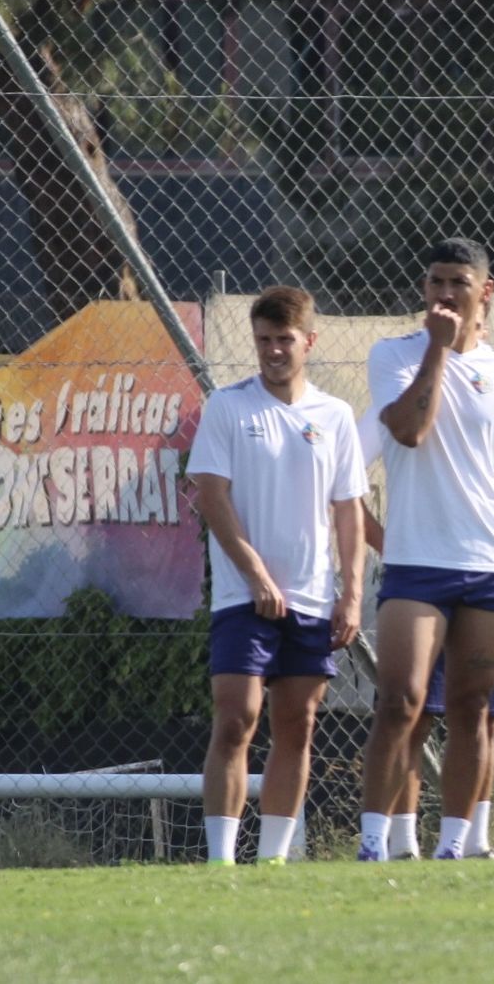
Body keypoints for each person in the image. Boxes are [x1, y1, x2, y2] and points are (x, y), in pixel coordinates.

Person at [356, 237, 494, 861]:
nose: (443, 293)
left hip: (488, 565)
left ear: (485, 291)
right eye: (434, 281)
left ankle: (455, 850)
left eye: (457, 282)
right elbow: (409, 430)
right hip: (415, 567)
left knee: (472, 709)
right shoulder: (394, 355)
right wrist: (437, 347)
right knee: (401, 701)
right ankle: (375, 847)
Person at [188, 285, 368, 864]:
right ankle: (220, 862)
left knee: (298, 725)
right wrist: (257, 576)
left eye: (284, 340)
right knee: (238, 716)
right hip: (245, 596)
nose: (272, 351)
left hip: (314, 598)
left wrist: (352, 595)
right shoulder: (228, 407)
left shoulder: (335, 416)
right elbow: (211, 496)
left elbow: (348, 512)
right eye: (263, 340)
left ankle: (272, 863)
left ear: (309, 342)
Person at [358, 411, 494, 861]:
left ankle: (471, 843)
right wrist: (390, 543)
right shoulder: (400, 390)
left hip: (484, 575)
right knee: (409, 711)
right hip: (420, 583)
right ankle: (400, 844)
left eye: (477, 331)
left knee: (482, 715)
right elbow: (341, 473)